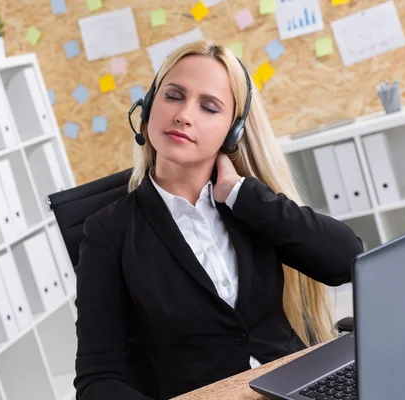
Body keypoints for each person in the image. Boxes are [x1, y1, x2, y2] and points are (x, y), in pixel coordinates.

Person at [73, 40, 364, 400]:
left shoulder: (249, 205)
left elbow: (346, 261)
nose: (184, 115)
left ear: (233, 131)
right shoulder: (109, 231)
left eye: (209, 107)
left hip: (297, 388)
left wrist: (243, 195)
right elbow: (96, 380)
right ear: (148, 107)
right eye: (174, 96)